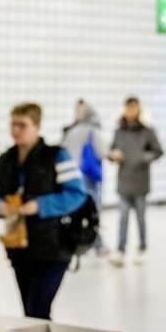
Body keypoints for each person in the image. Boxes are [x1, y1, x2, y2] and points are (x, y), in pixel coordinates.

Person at [0, 102, 87, 320]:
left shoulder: (57, 156)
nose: (16, 130)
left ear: (38, 127)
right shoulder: (4, 160)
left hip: (54, 248)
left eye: (23, 125)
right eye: (13, 124)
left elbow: (77, 194)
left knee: (38, 309)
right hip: (19, 248)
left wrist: (40, 205)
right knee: (30, 313)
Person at [107, 96, 164, 266]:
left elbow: (158, 151)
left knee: (140, 217)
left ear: (138, 109)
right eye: (128, 108)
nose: (130, 111)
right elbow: (112, 149)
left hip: (140, 181)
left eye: (133, 108)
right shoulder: (119, 131)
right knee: (123, 217)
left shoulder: (147, 130)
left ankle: (142, 248)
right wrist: (113, 156)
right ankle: (121, 250)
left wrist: (142, 157)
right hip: (124, 180)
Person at [61, 98, 109, 257]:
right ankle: (97, 244)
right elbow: (102, 152)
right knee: (92, 211)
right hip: (89, 177)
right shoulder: (92, 131)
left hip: (71, 176)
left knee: (76, 210)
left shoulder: (70, 131)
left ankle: (78, 242)